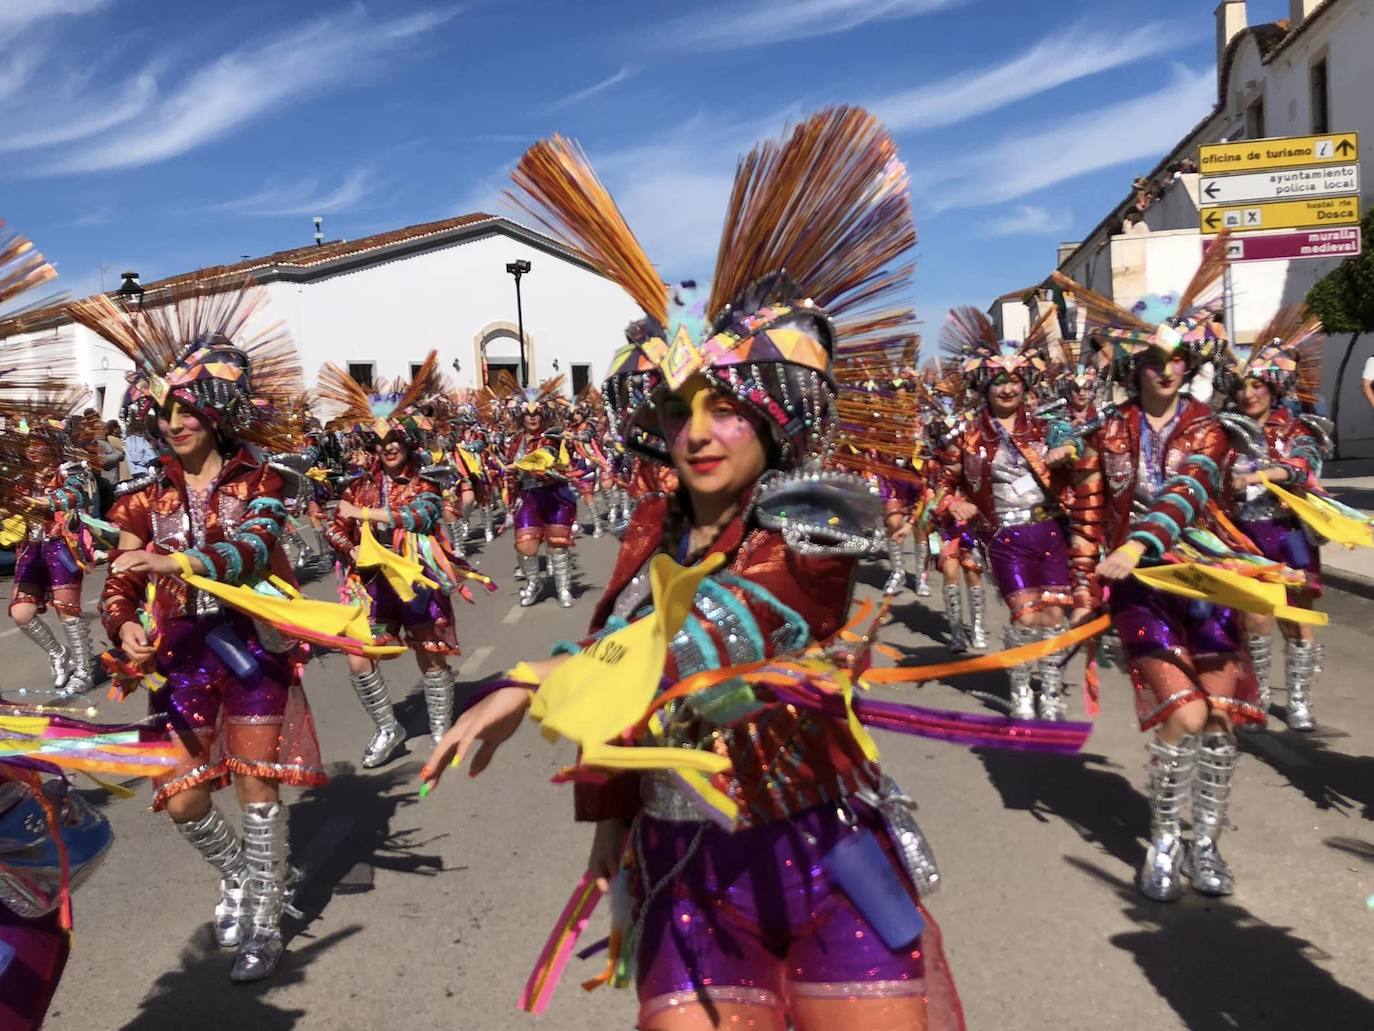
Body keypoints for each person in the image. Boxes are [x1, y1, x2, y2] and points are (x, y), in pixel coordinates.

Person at [428, 108, 967, 1031]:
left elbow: (720, 630)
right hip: (684, 867)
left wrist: (540, 672)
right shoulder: (647, 536)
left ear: (774, 417)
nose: (698, 432)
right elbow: (620, 670)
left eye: (725, 407)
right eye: (679, 411)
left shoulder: (820, 521)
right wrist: (608, 823)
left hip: (826, 853)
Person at [71, 278, 326, 982]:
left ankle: (267, 924)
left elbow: (252, 548)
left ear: (216, 411)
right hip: (179, 656)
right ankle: (246, 876)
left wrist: (178, 558)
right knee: (183, 797)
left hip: (250, 649)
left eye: (187, 408)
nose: (175, 422)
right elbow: (119, 586)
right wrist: (124, 629)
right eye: (165, 411)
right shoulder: (139, 498)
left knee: (255, 789)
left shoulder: (266, 481)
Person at [1054, 237, 1266, 901]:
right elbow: (1088, 515)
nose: (1167, 370)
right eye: (1154, 360)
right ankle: (1167, 839)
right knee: (1184, 714)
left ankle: (1206, 841)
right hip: (1140, 589)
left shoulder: (1210, 427)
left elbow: (1193, 489)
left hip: (1204, 579)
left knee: (1221, 716)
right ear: (1135, 364)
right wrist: (1088, 584)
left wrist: (1140, 543)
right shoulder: (1107, 430)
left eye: (1177, 359)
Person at [935, 307, 1084, 720]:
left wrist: (1067, 453)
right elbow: (940, 484)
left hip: (1050, 532)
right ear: (985, 386)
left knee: (1055, 615)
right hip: (1005, 538)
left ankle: (1050, 690)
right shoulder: (965, 435)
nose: (1007, 389)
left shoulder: (1047, 425)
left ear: (1026, 384)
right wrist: (953, 503)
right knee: (1027, 616)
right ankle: (1020, 688)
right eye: (998, 381)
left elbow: (1081, 454)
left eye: (1014, 380)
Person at [317, 353, 467, 766]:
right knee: (357, 653)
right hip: (372, 587)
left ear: (407, 445)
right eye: (380, 445)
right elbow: (335, 526)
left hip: (415, 581)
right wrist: (352, 550)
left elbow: (419, 516)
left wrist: (365, 517)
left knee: (430, 652)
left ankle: (440, 725)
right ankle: (388, 727)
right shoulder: (357, 486)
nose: (387, 450)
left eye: (394, 443)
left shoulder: (426, 484)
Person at [1222, 306, 1330, 729]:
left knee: (1296, 619)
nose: (1249, 394)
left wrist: (1264, 472)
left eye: (1257, 385)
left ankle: (1299, 699)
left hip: (1290, 534)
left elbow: (1303, 466)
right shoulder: (1225, 431)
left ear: (1273, 386)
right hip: (1245, 535)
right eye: (1242, 387)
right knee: (1256, 619)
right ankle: (1260, 694)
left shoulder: (1299, 429)